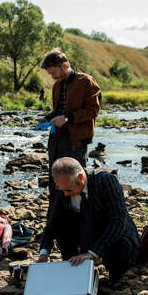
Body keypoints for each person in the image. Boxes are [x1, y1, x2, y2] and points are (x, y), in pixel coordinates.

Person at [38, 157, 140, 288]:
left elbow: (118, 221)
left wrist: (92, 253)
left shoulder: (106, 181)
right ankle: (73, 266)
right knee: (61, 224)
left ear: (81, 178)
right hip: (85, 231)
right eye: (61, 189)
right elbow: (53, 222)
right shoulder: (64, 187)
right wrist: (44, 253)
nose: (65, 194)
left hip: (114, 235)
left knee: (121, 251)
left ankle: (115, 277)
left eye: (68, 190)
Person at [39, 50, 101, 216]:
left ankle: (81, 219)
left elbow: (93, 111)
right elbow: (57, 112)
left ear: (65, 65)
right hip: (56, 138)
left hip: (77, 140)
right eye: (50, 73)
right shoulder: (57, 85)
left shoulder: (87, 82)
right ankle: (55, 220)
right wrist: (46, 119)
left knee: (76, 180)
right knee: (55, 179)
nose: (52, 76)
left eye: (54, 72)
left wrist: (67, 118)